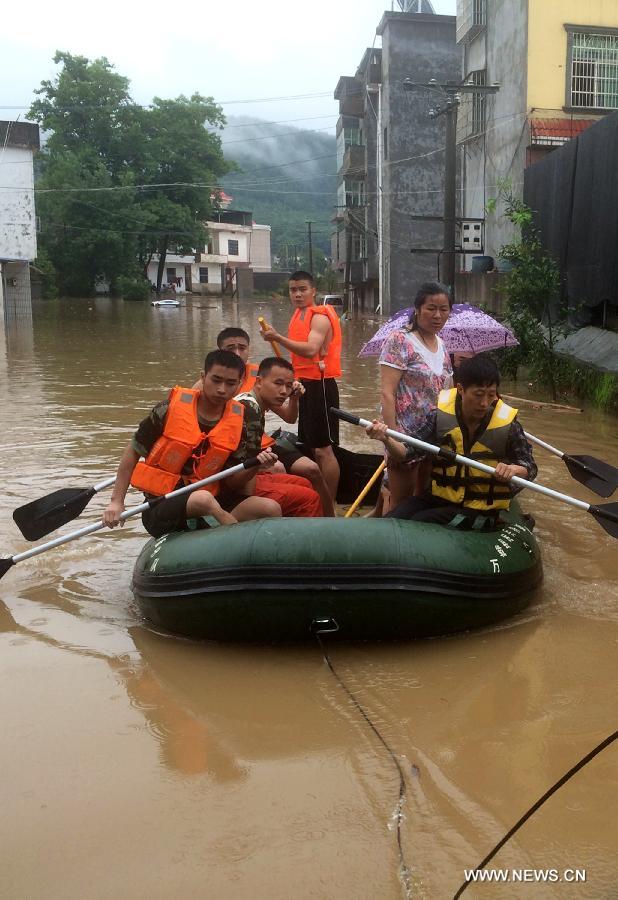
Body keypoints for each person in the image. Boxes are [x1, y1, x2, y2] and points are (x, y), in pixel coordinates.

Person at [103, 350, 281, 537]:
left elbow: (233, 481)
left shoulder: (242, 421)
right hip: (163, 502)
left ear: (239, 385)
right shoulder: (167, 410)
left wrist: (256, 466)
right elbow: (133, 453)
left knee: (270, 508)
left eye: (230, 383)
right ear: (203, 377)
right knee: (202, 499)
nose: (222, 389)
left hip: (213, 498)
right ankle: (235, 537)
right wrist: (117, 501)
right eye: (216, 380)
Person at [366, 356, 537, 526]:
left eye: (491, 395)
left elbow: (530, 467)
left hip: (478, 508)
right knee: (395, 517)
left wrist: (514, 469)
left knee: (420, 522)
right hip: (439, 498)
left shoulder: (509, 426)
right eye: (478, 395)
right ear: (460, 389)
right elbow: (406, 452)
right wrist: (386, 439)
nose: (484, 403)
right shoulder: (439, 417)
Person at [260, 271, 342, 504]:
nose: (297, 294)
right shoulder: (299, 314)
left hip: (321, 386)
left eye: (302, 289)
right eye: (293, 290)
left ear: (313, 290)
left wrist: (277, 338)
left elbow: (310, 349)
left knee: (324, 449)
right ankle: (317, 497)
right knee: (311, 447)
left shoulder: (320, 317)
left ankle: (330, 503)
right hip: (303, 384)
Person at [379, 282, 453, 509]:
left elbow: (448, 391)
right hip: (406, 435)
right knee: (402, 501)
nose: (438, 315)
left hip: (433, 434)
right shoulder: (400, 340)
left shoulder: (441, 343)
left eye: (444, 309)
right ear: (418, 309)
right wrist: (392, 436)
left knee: (423, 498)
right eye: (431, 308)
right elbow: (387, 392)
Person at [237, 356, 335, 517]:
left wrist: (294, 397)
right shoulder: (250, 409)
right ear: (259, 382)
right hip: (240, 485)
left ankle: (323, 522)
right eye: (278, 383)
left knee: (304, 483)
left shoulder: (256, 402)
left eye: (288, 386)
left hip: (246, 476)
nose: (284, 391)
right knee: (310, 497)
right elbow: (246, 470)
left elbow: (290, 418)